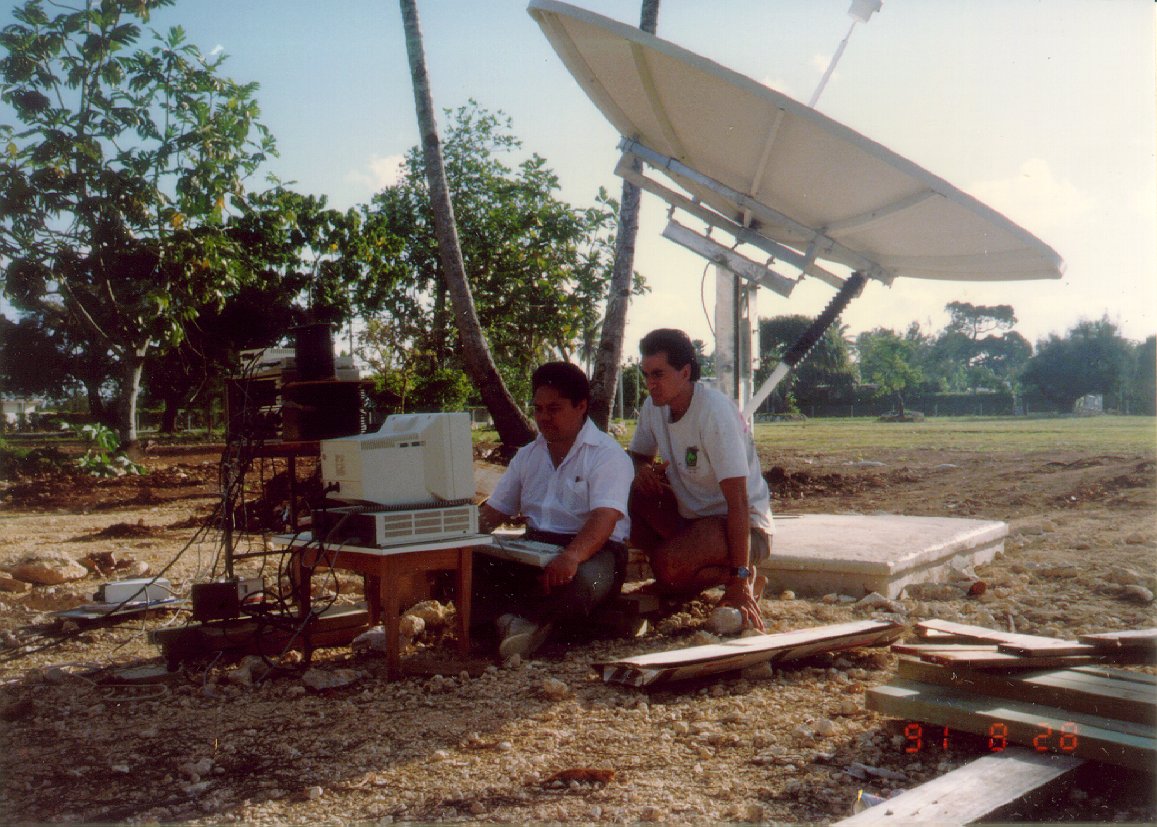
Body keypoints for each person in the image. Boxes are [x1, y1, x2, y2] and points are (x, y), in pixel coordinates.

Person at [476, 362, 634, 658]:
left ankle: (510, 625)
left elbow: (604, 519)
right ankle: (522, 627)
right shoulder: (527, 455)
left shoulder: (607, 455)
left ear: (581, 406)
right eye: (538, 409)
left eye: (554, 409)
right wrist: (452, 538)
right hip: (535, 546)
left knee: (578, 585)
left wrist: (571, 556)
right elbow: (494, 513)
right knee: (465, 563)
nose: (544, 418)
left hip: (594, 553)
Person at [628, 328, 773, 631]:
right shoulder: (653, 407)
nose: (650, 384)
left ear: (685, 372)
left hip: (745, 527)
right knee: (629, 492)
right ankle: (680, 575)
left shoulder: (714, 412)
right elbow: (637, 457)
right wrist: (641, 471)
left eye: (658, 374)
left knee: (667, 566)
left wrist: (739, 579)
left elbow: (739, 502)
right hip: (691, 518)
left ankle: (743, 577)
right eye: (646, 375)